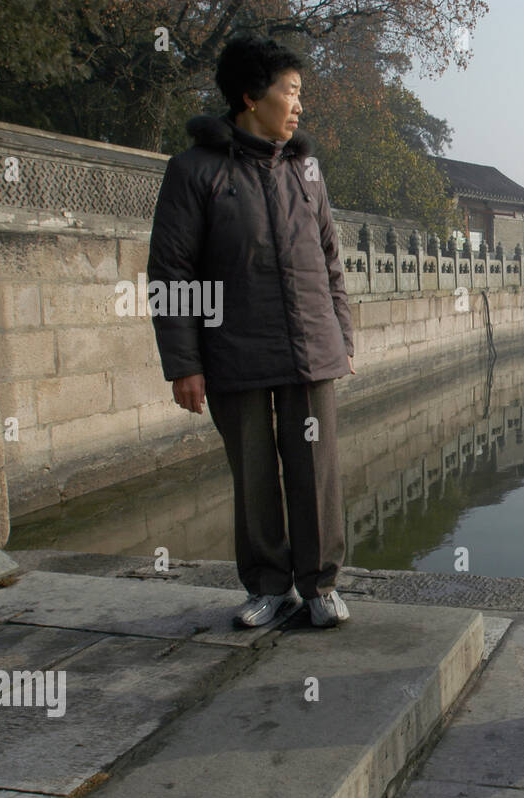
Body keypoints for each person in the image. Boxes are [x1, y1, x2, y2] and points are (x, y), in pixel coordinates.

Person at [147, 34, 353, 628]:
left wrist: (342, 337)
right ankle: (267, 585)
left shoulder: (306, 169)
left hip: (311, 346)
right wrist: (183, 362)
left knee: (317, 472)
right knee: (255, 474)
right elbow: (171, 270)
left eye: (299, 94)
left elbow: (330, 260)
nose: (297, 106)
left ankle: (320, 586)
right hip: (233, 350)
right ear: (248, 96)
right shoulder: (195, 171)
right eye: (289, 92)